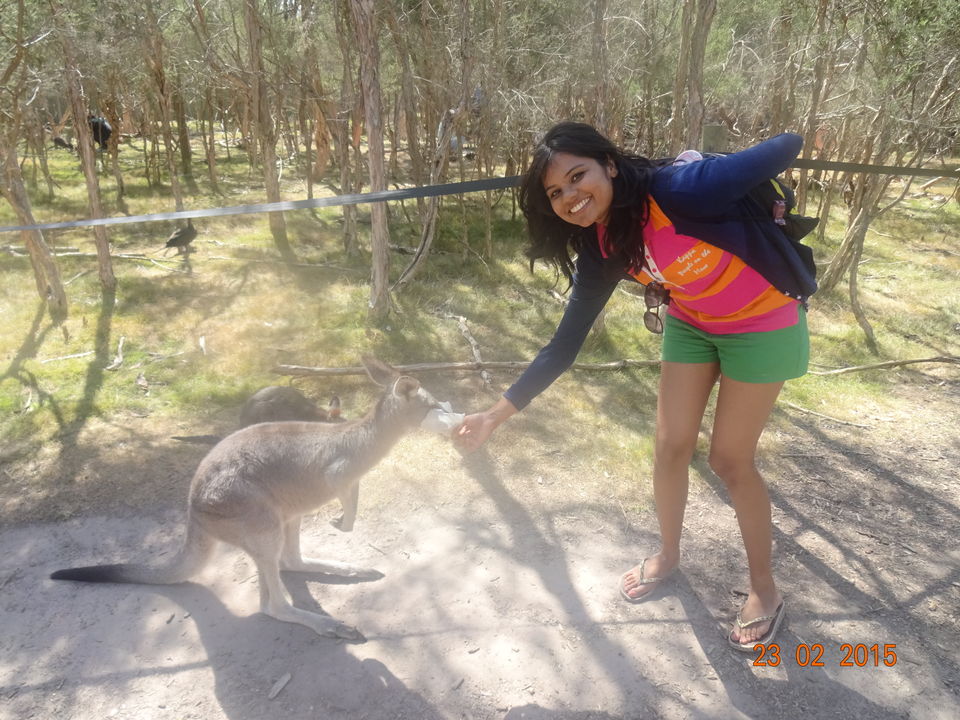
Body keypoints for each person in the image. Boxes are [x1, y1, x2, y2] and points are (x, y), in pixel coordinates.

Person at [454, 122, 816, 651]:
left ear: (610, 165)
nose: (571, 196)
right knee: (670, 447)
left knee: (730, 461)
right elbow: (563, 345)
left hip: (763, 322)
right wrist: (492, 416)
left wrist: (709, 166)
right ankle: (668, 555)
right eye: (557, 192)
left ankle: (765, 589)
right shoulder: (603, 246)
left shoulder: (678, 191)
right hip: (694, 324)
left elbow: (787, 146)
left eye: (578, 176)